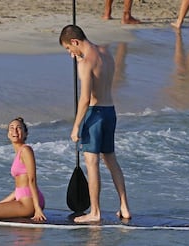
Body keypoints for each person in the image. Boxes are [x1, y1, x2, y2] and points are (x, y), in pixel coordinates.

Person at [59, 25, 131, 222]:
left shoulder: (85, 64)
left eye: (68, 48)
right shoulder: (106, 52)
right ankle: (124, 206)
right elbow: (101, 77)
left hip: (94, 114)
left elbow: (84, 99)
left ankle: (95, 212)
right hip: (110, 111)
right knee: (111, 161)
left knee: (92, 163)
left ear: (74, 42)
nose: (69, 53)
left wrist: (76, 126)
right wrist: (79, 57)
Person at [0, 117, 46, 226]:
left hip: (29, 202)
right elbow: (18, 189)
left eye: (19, 128)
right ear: (8, 134)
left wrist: (37, 208)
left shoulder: (26, 150)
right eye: (11, 128)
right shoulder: (18, 152)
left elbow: (32, 180)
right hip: (23, 199)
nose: (15, 131)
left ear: (25, 133)